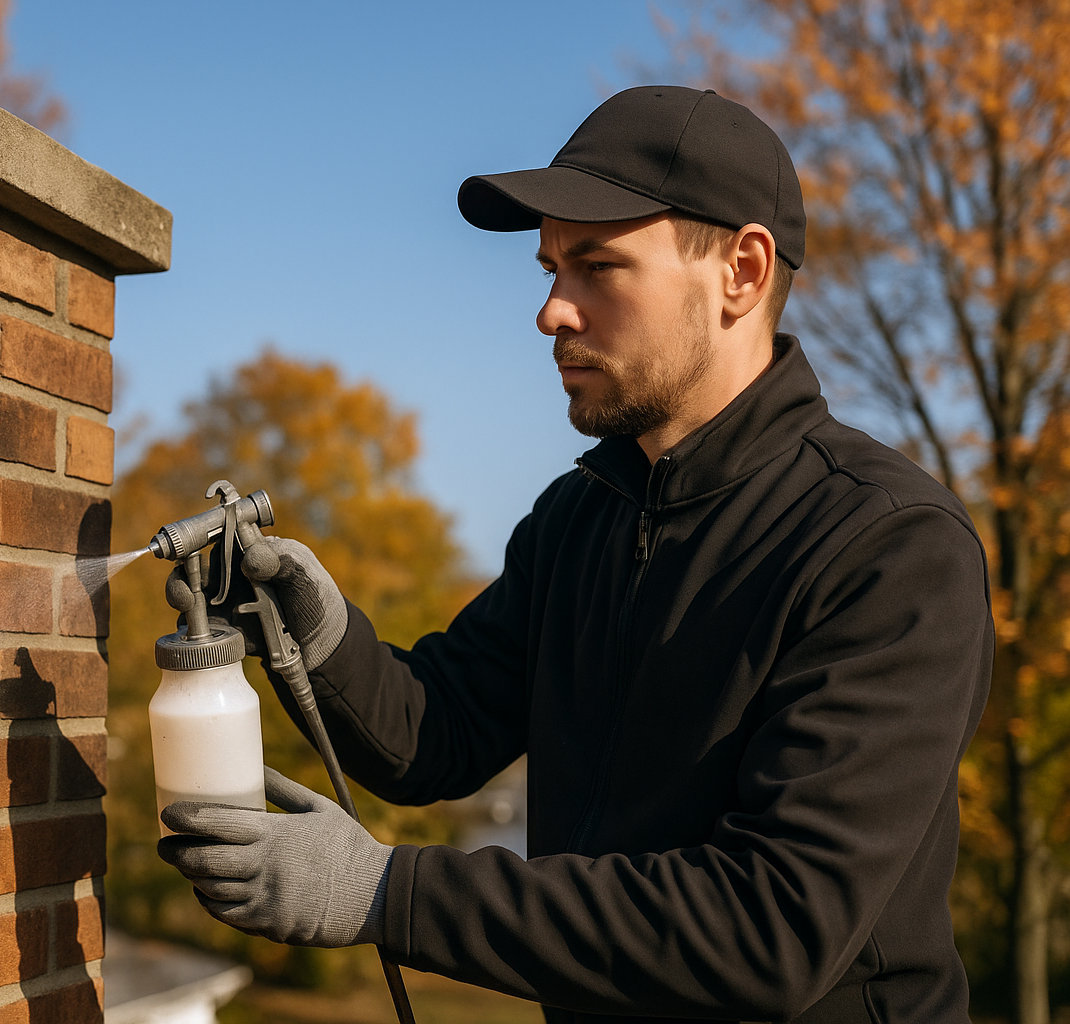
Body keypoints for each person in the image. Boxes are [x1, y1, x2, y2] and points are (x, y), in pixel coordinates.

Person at [157, 86, 992, 1024]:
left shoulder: (889, 545)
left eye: (598, 266)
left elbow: (774, 929)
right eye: (552, 268)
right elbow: (438, 736)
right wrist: (316, 634)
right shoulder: (578, 515)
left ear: (743, 273)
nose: (552, 311)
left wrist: (389, 895)